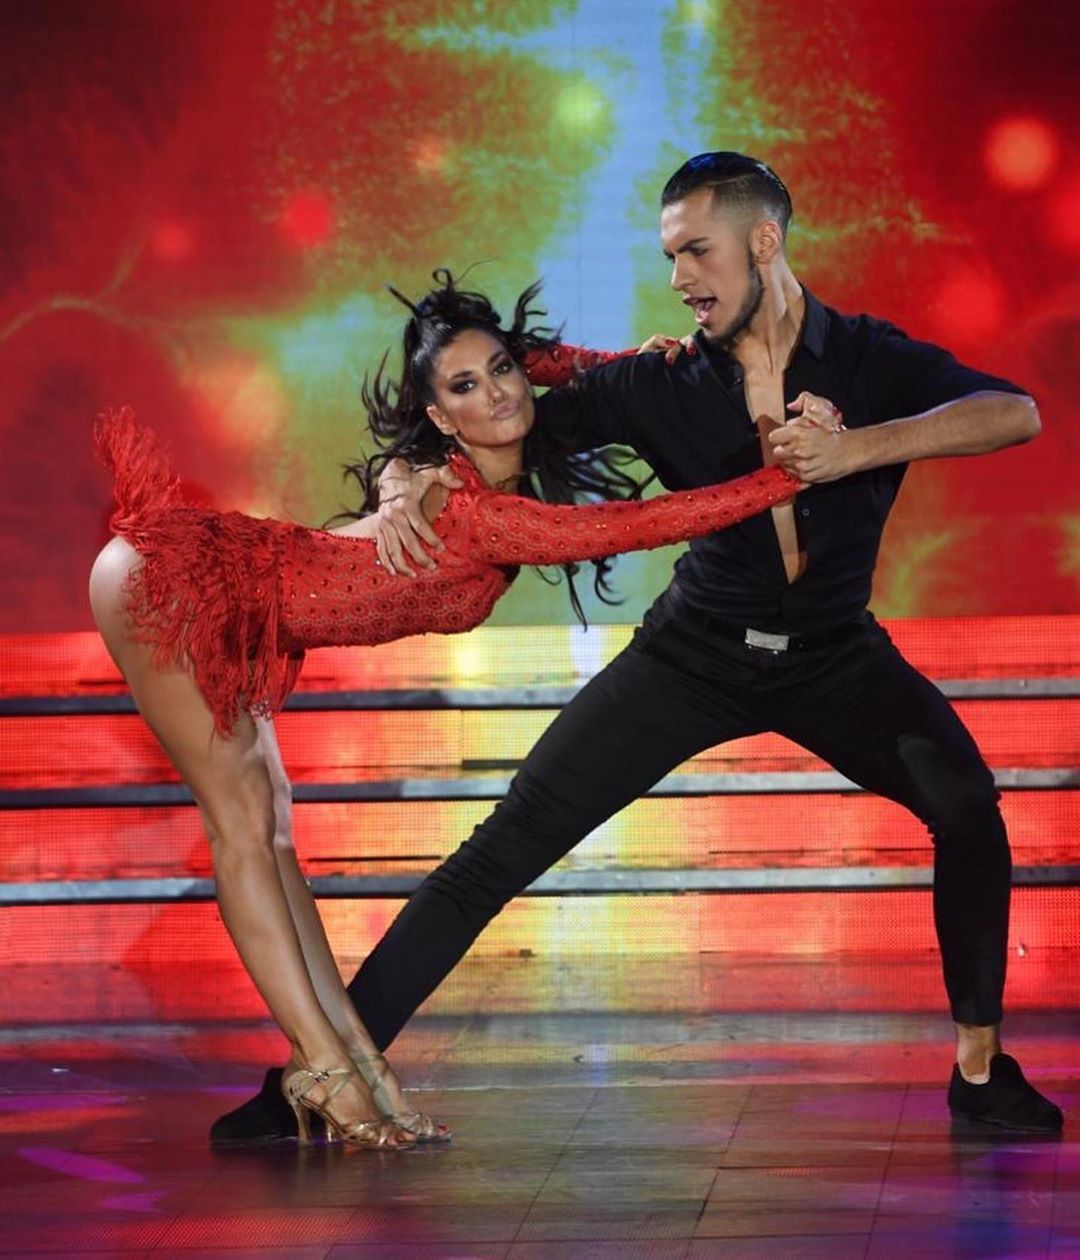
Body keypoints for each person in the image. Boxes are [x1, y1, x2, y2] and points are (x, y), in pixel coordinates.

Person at [214, 150, 1063, 1142]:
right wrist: (405, 475)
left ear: (765, 240)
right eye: (670, 257)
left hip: (836, 656)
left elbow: (1013, 413)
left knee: (967, 808)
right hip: (694, 655)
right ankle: (311, 1083)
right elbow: (495, 412)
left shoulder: (867, 357)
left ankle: (979, 1073)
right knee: (499, 850)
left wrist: (856, 450)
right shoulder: (659, 381)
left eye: (697, 251)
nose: (680, 279)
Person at [89, 271, 803, 1149]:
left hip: (238, 591)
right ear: (438, 414)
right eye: (465, 387)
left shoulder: (456, 473)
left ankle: (360, 1067)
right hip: (173, 580)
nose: (496, 393)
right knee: (242, 824)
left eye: (502, 371)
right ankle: (325, 1074)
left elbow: (539, 367)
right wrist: (782, 479)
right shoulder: (474, 513)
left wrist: (642, 356)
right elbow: (643, 525)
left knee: (270, 821)